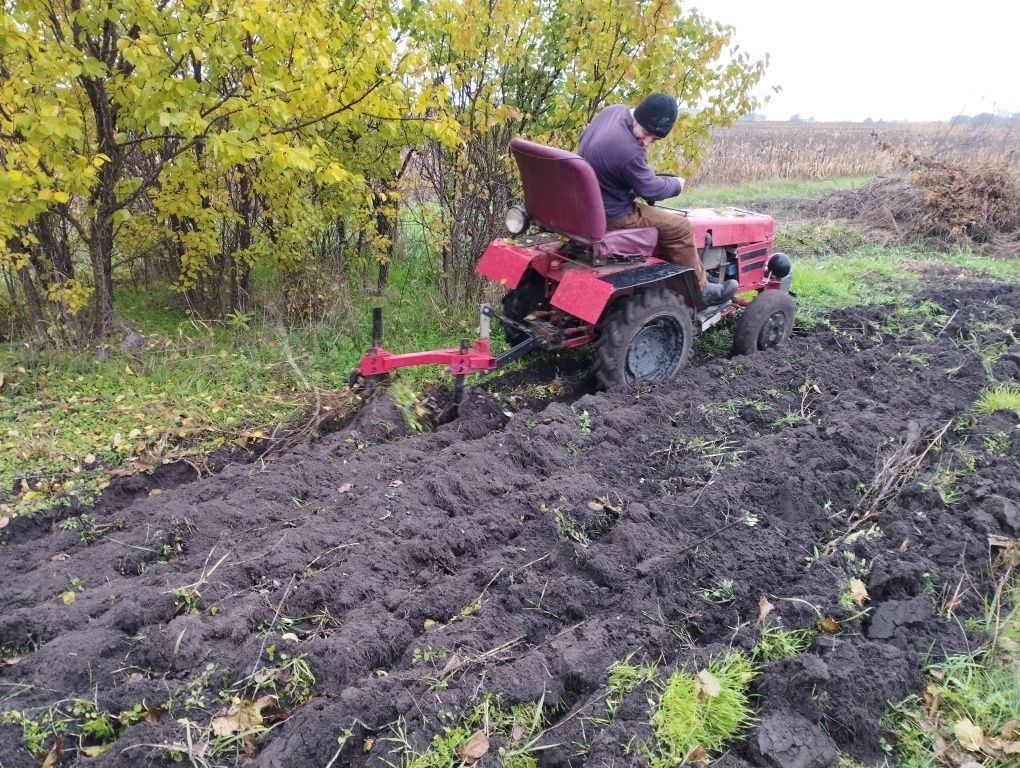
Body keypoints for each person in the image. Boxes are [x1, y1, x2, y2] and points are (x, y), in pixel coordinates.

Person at [578, 93, 738, 307]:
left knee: (662, 221)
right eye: (646, 133)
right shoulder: (629, 151)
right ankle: (702, 291)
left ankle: (694, 273)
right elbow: (651, 190)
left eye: (654, 139)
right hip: (613, 215)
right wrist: (677, 184)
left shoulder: (612, 111)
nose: (647, 142)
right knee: (680, 227)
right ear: (639, 117)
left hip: (588, 203)